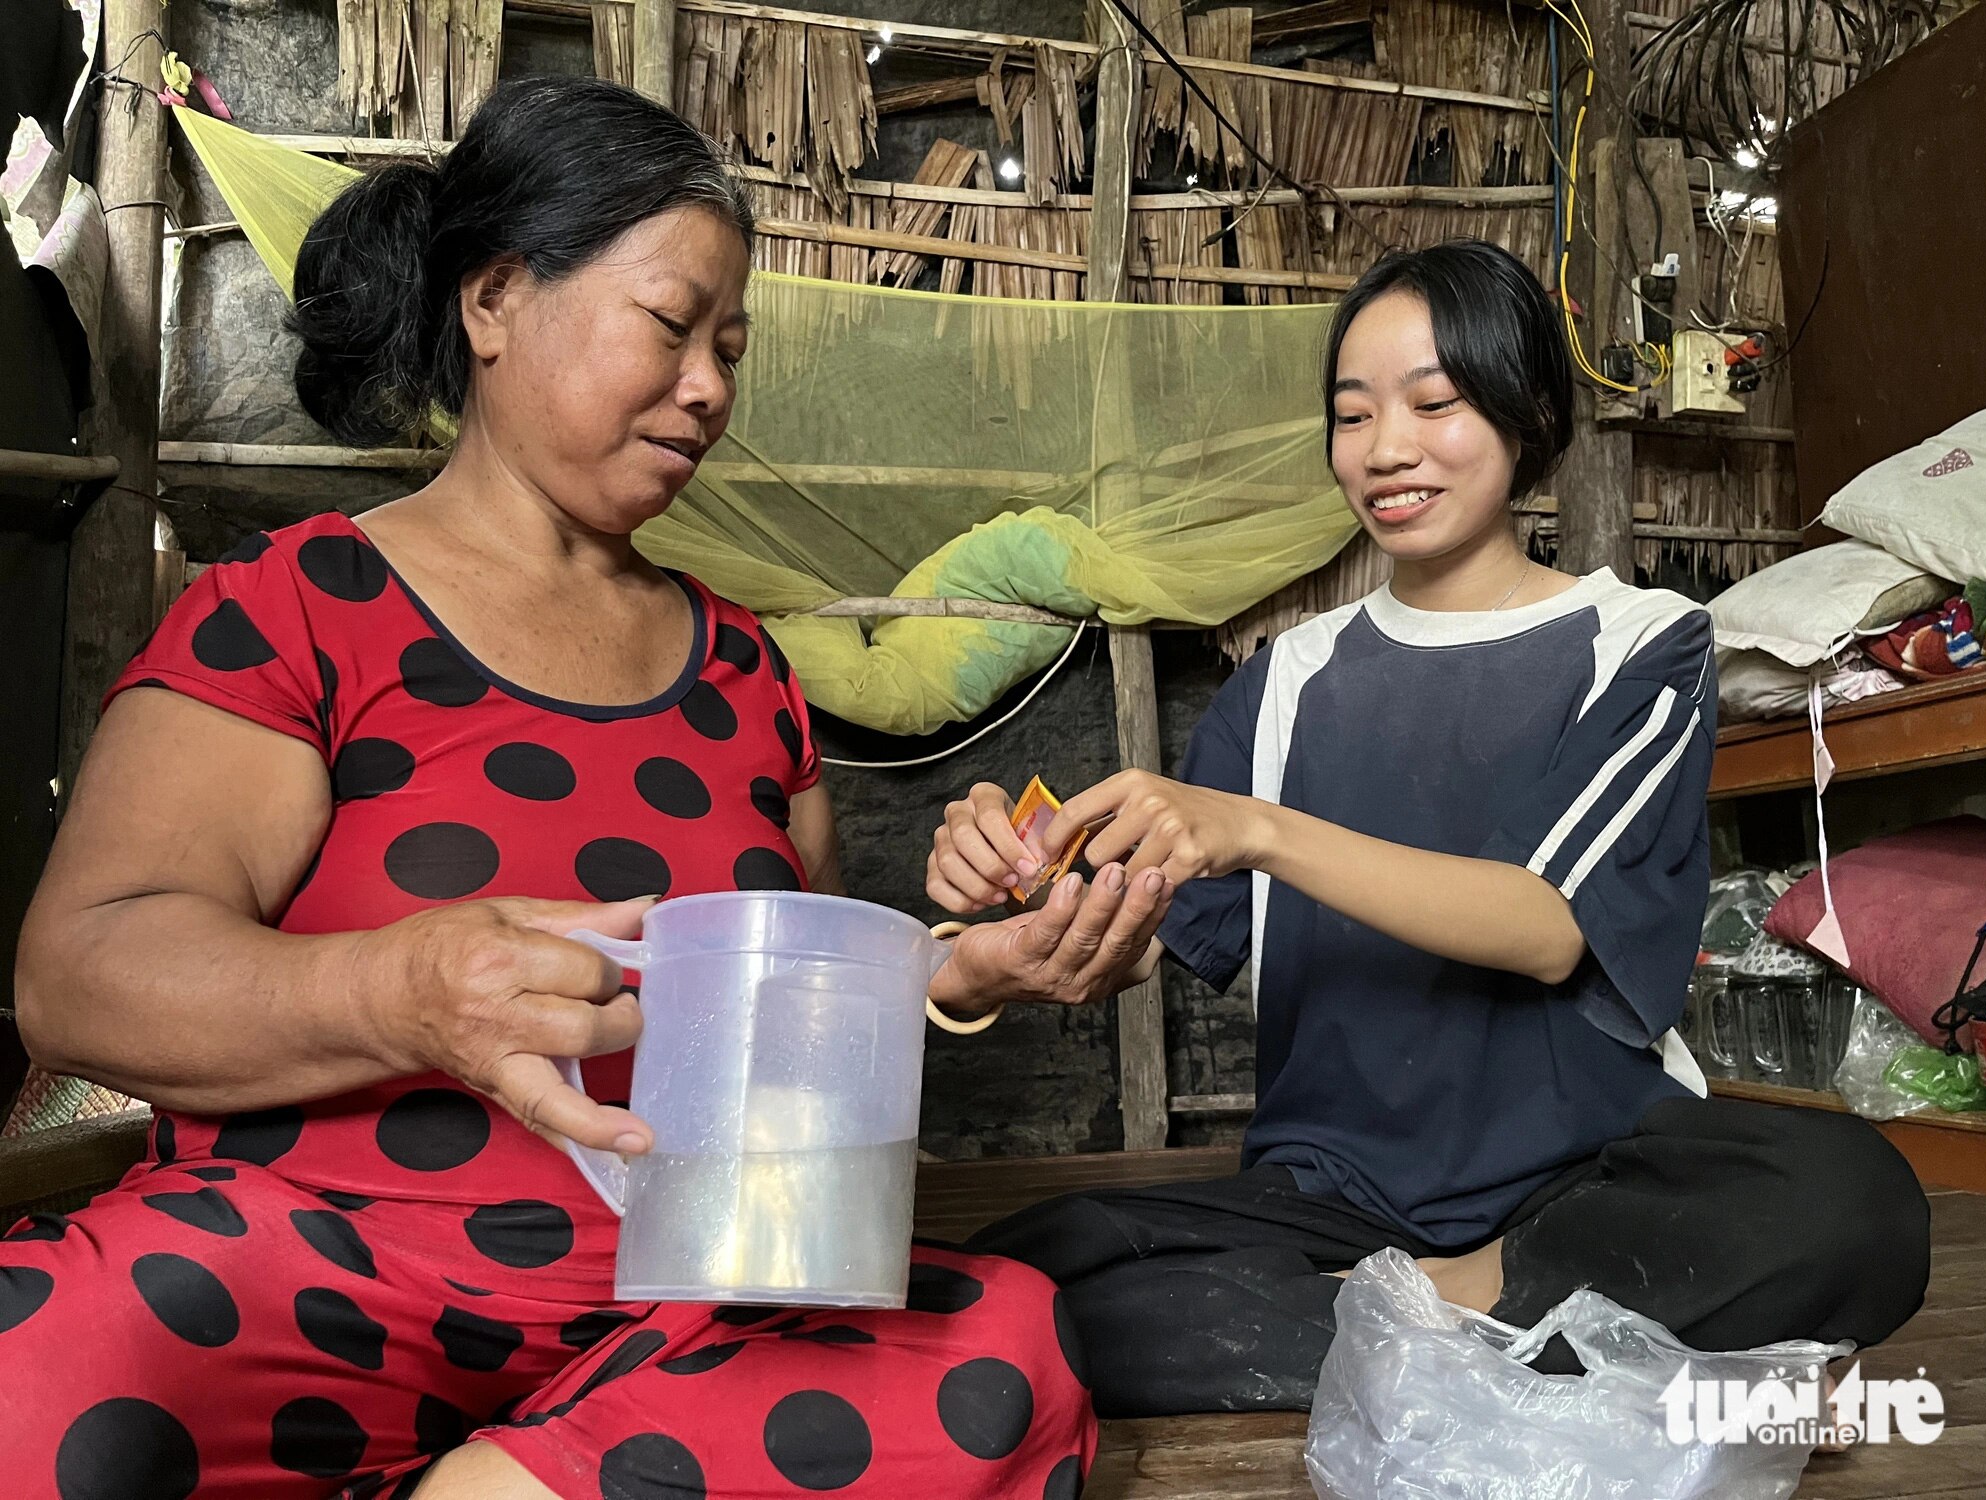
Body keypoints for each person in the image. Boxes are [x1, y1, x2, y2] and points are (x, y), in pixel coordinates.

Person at [2, 79, 1168, 1500]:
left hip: (676, 1319)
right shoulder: (304, 605)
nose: (711, 390)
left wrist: (961, 974)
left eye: (730, 351)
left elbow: (778, 1049)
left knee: (1003, 1359)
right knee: (39, 1357)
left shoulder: (747, 672)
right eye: (673, 328)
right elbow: (79, 979)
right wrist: (405, 992)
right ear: (496, 300)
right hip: (309, 1274)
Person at [927, 239, 1933, 1417]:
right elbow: (1145, 939)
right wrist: (1016, 906)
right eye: (1352, 416)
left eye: (1432, 403)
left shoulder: (1639, 643)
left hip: (1585, 1182)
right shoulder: (1284, 681)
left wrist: (1258, 829)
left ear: (1523, 412)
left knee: (1847, 1202)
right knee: (1014, 1271)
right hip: (1327, 1202)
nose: (1385, 449)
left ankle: (1436, 1309)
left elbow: (1551, 930)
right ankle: (1531, 1341)